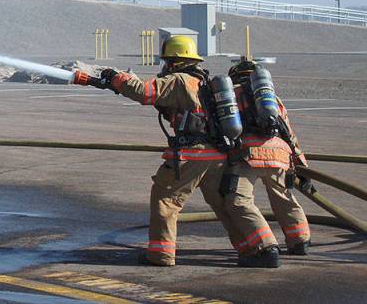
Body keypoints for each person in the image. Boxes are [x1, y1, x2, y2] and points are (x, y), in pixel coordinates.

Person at [74, 35, 280, 268]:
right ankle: (261, 249)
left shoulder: (179, 80)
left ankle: (161, 254)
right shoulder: (202, 82)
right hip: (217, 155)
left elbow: (145, 92)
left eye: (167, 61)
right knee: (224, 204)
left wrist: (116, 77)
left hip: (192, 154)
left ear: (175, 61)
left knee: (165, 199)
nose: (165, 66)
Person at [228, 60, 312, 255]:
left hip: (248, 156)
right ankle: (300, 241)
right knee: (284, 198)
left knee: (238, 201)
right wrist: (303, 169)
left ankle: (266, 246)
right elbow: (289, 135)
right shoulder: (273, 99)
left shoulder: (233, 95)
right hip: (280, 155)